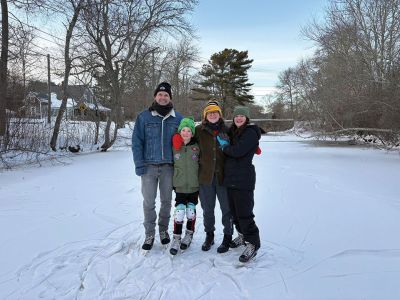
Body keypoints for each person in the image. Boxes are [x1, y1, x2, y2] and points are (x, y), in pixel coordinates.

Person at [132, 82, 183, 251]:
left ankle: (163, 231)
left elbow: (185, 143)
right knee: (148, 202)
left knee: (167, 201)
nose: (163, 97)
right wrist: (139, 165)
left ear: (170, 98)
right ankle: (150, 233)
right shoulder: (144, 117)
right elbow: (137, 143)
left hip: (169, 167)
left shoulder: (178, 118)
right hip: (148, 167)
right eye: (160, 95)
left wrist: (181, 167)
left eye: (166, 95)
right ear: (155, 97)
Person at [217, 105, 261, 263]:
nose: (239, 118)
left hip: (243, 179)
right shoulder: (233, 132)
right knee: (234, 213)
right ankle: (242, 236)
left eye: (242, 116)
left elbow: (238, 152)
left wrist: (225, 147)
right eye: (236, 116)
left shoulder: (250, 133)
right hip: (230, 178)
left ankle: (253, 243)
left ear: (247, 118)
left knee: (245, 213)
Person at [195, 100, 233, 253]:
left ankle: (227, 237)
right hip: (205, 177)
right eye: (209, 112)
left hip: (224, 177)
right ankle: (209, 235)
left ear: (220, 114)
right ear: (205, 115)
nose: (212, 114)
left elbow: (239, 144)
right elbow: (187, 140)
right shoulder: (198, 131)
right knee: (207, 209)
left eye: (215, 112)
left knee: (227, 209)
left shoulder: (228, 130)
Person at [169, 117, 200, 255]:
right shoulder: (175, 147)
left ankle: (189, 234)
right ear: (179, 132)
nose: (186, 133)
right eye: (183, 130)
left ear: (192, 133)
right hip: (180, 185)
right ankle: (176, 237)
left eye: (189, 130)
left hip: (194, 185)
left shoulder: (197, 147)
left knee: (190, 211)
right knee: (180, 211)